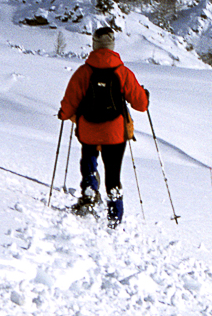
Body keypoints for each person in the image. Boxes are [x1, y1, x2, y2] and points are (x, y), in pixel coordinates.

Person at [58, 26, 149, 227]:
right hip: (115, 133)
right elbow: (141, 105)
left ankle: (89, 194)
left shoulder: (83, 72)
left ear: (94, 45)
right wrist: (145, 96)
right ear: (112, 46)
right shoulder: (122, 72)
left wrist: (63, 114)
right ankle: (114, 217)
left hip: (88, 129)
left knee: (88, 162)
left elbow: (70, 101)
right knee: (113, 173)